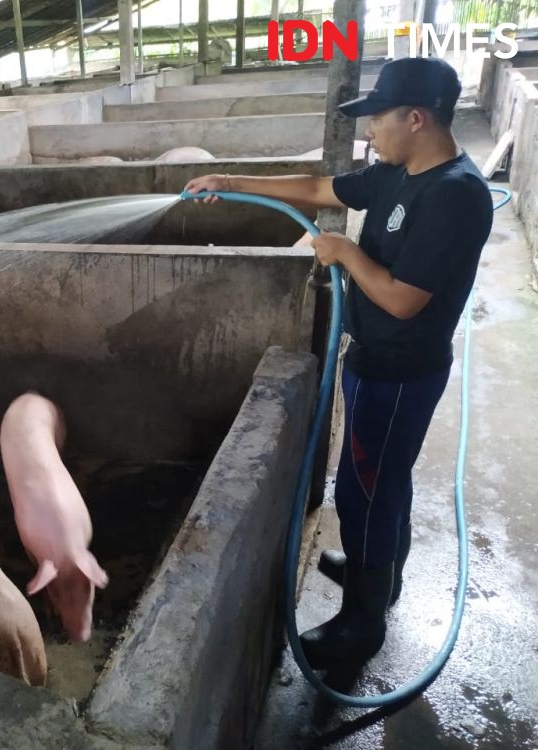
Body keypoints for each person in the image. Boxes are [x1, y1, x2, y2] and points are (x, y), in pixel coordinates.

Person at [184, 57, 494, 669]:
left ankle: (361, 624)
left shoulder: (454, 195)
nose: (369, 131)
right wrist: (232, 179)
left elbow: (404, 300)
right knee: (384, 481)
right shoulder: (397, 173)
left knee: (364, 492)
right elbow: (319, 188)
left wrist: (346, 251)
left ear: (416, 117)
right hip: (374, 358)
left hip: (401, 369)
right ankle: (380, 574)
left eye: (377, 118)